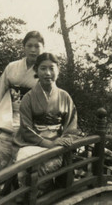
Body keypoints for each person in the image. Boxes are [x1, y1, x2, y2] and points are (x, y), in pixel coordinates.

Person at [13, 53, 79, 188]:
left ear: (58, 70)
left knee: (44, 169)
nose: (47, 73)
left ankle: (36, 192)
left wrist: (63, 140)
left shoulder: (64, 96)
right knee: (24, 163)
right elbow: (26, 128)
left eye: (51, 68)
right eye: (43, 68)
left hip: (56, 145)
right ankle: (31, 192)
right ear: (36, 70)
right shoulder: (28, 98)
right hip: (34, 143)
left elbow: (71, 125)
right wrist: (47, 143)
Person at [0, 31, 44, 170]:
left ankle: (17, 181)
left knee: (24, 150)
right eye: (29, 46)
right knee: (0, 142)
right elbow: (0, 90)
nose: (33, 50)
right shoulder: (12, 67)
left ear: (42, 48)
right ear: (23, 47)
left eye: (37, 46)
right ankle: (6, 177)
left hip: (32, 117)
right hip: (10, 114)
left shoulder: (45, 70)